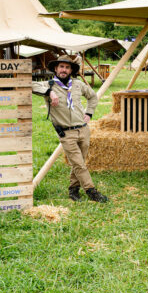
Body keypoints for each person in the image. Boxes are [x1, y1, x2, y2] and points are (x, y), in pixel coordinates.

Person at [32, 55, 108, 203]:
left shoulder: (78, 84)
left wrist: (89, 113)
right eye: (61, 66)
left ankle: (73, 190)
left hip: (83, 130)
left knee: (79, 162)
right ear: (55, 68)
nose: (64, 70)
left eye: (67, 67)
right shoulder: (49, 85)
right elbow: (28, 84)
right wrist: (49, 92)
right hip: (66, 132)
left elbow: (92, 97)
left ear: (71, 70)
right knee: (78, 163)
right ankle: (91, 191)